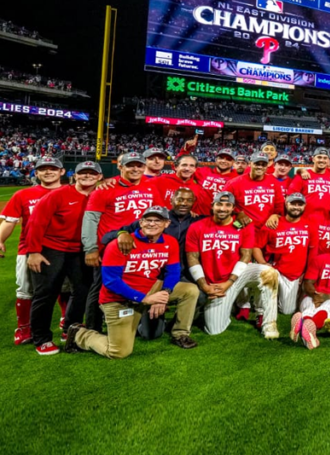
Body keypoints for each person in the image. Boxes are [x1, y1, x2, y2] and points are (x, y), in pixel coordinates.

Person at [64, 206, 199, 358]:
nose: (152, 224)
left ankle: (180, 334)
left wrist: (164, 294)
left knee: (190, 290)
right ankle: (80, 334)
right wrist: (144, 299)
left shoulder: (170, 242)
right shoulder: (120, 244)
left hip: (149, 289)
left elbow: (173, 271)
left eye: (158, 220)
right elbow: (111, 282)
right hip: (119, 299)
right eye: (148, 220)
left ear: (167, 224)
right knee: (119, 352)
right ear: (141, 222)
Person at [24, 161, 104, 355]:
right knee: (46, 294)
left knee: (82, 291)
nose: (87, 176)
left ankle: (71, 328)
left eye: (92, 173)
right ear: (74, 176)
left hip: (81, 251)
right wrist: (34, 251)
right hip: (51, 249)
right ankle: (41, 338)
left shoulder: (100, 195)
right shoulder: (58, 195)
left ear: (100, 177)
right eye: (82, 173)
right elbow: (36, 222)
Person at [185, 191, 280, 339]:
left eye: (227, 205)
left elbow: (246, 256)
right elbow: (192, 258)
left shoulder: (243, 226)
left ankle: (269, 324)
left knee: (270, 272)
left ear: (233, 208)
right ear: (212, 206)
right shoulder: (197, 226)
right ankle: (217, 308)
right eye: (219, 204)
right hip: (215, 282)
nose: (222, 208)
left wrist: (230, 282)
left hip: (236, 275)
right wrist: (204, 286)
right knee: (214, 329)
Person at [82, 152, 159, 331]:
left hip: (139, 247)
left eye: (139, 165)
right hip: (109, 247)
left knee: (133, 283)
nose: (135, 169)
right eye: (130, 165)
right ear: (120, 167)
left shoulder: (150, 186)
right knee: (101, 287)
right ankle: (92, 328)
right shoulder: (105, 189)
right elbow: (90, 220)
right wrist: (91, 248)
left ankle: (128, 323)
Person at [1, 156, 67, 345]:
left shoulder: (72, 192)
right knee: (25, 288)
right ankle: (24, 327)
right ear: (36, 173)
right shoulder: (22, 195)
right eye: (43, 169)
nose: (48, 172)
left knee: (65, 286)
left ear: (62, 172)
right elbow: (9, 221)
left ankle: (66, 319)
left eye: (53, 168)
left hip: (63, 247)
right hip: (29, 248)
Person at [255, 192, 313, 319]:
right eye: (293, 203)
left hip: (293, 274)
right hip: (275, 269)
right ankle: (260, 310)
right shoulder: (273, 223)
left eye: (300, 204)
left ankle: (279, 298)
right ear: (286, 204)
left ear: (304, 206)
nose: (296, 207)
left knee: (287, 310)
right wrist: (263, 264)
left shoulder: (309, 225)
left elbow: (312, 251)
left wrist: (306, 273)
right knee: (265, 276)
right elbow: (256, 246)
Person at [224, 154, 285, 231]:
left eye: (263, 165)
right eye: (257, 164)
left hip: (266, 226)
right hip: (243, 224)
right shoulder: (234, 183)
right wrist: (237, 213)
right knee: (232, 229)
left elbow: (279, 204)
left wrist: (275, 215)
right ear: (250, 164)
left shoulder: (274, 182)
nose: (260, 167)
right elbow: (222, 204)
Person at [289, 148, 330, 215]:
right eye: (319, 157)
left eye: (325, 158)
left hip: (326, 220)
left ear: (328, 160)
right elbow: (290, 197)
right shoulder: (303, 175)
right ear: (313, 159)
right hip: (305, 218)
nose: (322, 160)